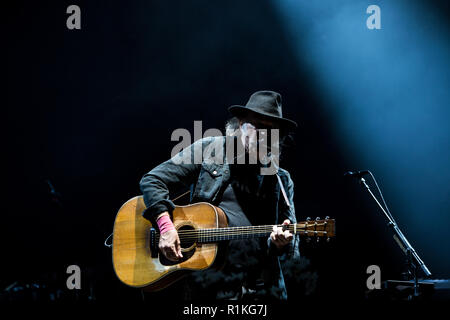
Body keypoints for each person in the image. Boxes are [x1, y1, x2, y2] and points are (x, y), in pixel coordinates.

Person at [140, 90, 300, 300]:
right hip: (209, 288)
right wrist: (166, 227)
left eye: (272, 130)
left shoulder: (281, 179)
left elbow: (290, 249)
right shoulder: (210, 150)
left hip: (260, 289)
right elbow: (153, 180)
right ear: (241, 122)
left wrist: (281, 243)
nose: (264, 135)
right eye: (258, 125)